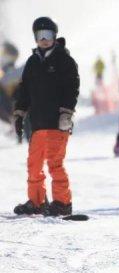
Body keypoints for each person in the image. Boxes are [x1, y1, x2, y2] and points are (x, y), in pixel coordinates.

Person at [13, 17, 80, 216]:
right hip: (38, 124)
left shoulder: (64, 60)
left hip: (58, 123)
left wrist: (66, 113)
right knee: (34, 165)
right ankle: (37, 201)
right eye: (39, 35)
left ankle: (62, 203)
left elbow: (72, 88)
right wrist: (19, 113)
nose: (43, 39)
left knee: (54, 163)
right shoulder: (33, 62)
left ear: (54, 36)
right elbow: (24, 90)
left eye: (47, 35)